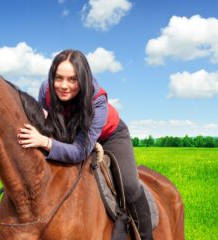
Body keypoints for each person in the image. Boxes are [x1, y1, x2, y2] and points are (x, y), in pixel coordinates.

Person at [17, 49, 153, 239]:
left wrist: (46, 142)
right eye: (59, 78)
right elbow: (44, 123)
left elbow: (81, 151)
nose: (64, 86)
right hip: (70, 133)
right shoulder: (46, 90)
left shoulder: (97, 101)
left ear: (83, 79)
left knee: (130, 186)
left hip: (110, 135)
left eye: (73, 79)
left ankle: (146, 236)